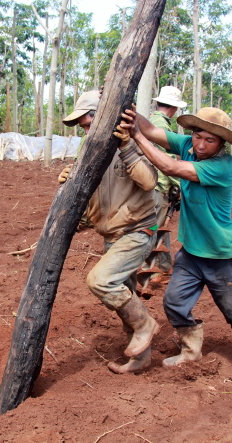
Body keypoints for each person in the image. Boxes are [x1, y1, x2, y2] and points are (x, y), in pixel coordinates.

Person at [119, 105, 232, 380]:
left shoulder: (221, 166)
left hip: (221, 255)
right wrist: (130, 113)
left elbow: (169, 166)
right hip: (192, 252)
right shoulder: (187, 145)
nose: (202, 144)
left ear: (220, 143)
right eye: (198, 136)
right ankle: (191, 350)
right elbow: (153, 130)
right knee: (174, 302)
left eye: (210, 140)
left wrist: (135, 135)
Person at [59, 90, 160, 374]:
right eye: (84, 128)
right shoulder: (89, 154)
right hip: (112, 237)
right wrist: (68, 185)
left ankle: (145, 325)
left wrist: (127, 145)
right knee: (125, 295)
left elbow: (149, 182)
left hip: (137, 231)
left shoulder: (131, 143)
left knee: (101, 280)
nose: (87, 130)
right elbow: (88, 212)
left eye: (90, 123)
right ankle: (141, 358)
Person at [139, 86, 187, 288]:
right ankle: (144, 271)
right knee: (151, 228)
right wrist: (181, 184)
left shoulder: (154, 121)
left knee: (160, 227)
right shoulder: (160, 126)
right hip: (157, 185)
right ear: (174, 109)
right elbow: (165, 160)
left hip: (154, 183)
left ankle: (165, 268)